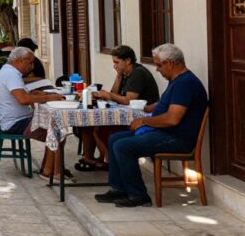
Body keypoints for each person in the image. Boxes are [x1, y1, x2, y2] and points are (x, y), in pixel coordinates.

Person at [96, 44, 208, 208]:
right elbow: (165, 104)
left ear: (170, 63)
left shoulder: (186, 83)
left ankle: (138, 195)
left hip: (176, 138)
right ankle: (119, 188)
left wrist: (144, 121)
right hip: (164, 133)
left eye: (159, 65)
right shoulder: (176, 81)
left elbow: (172, 119)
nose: (156, 69)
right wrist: (150, 108)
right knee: (114, 139)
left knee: (123, 146)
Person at [76, 45, 160, 172]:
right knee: (88, 123)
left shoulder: (138, 73)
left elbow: (128, 100)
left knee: (99, 127)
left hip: (142, 116)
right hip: (126, 113)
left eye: (116, 62)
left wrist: (108, 95)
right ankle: (94, 158)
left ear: (127, 61)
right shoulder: (126, 74)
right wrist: (118, 77)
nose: (114, 66)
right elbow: (114, 93)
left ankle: (111, 162)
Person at [0, 47, 66, 177]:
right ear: (20, 61)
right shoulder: (11, 75)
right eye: (30, 63)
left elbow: (21, 94)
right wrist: (48, 97)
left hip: (14, 119)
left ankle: (47, 169)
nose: (31, 67)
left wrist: (35, 94)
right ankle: (55, 172)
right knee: (57, 129)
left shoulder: (8, 72)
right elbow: (23, 99)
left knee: (54, 126)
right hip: (14, 123)